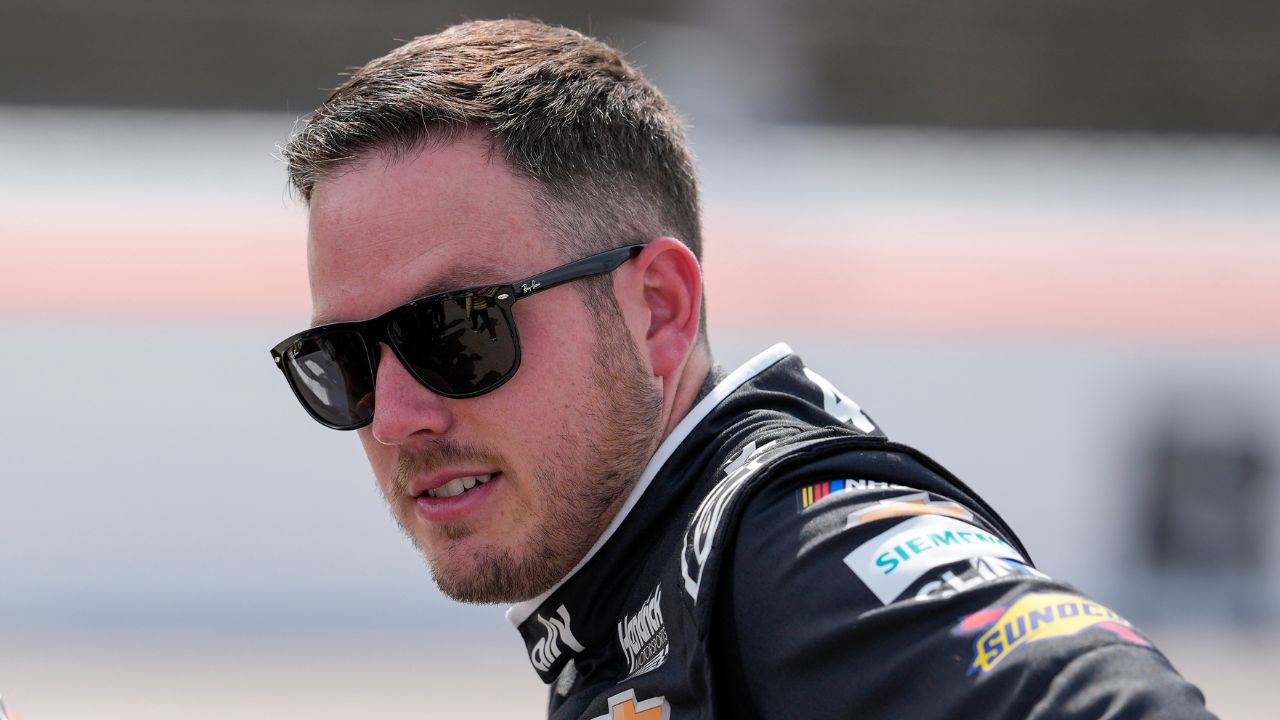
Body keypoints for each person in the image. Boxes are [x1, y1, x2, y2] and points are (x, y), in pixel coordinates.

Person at [271, 18, 1214, 719]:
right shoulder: (649, 587)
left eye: (455, 330)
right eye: (342, 359)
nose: (393, 416)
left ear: (658, 313)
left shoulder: (793, 549)